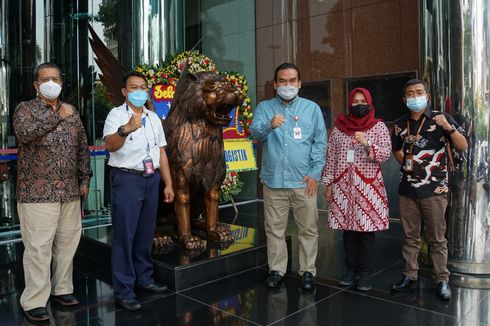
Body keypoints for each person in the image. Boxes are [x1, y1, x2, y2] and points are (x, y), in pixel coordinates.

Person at [13, 62, 92, 322]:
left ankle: (62, 289)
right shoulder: (25, 110)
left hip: (69, 193)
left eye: (55, 78)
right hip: (37, 193)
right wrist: (57, 116)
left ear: (61, 82)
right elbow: (25, 135)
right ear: (36, 85)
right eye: (45, 79)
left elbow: (82, 147)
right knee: (38, 249)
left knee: (67, 246)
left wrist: (85, 179)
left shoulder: (73, 112)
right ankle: (34, 300)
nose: (51, 82)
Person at [250, 62, 327, 291]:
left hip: (304, 182)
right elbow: (255, 132)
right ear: (275, 84)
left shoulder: (311, 109)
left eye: (292, 80)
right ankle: (277, 270)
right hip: (274, 181)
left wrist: (315, 174)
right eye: (282, 81)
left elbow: (320, 143)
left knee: (308, 229)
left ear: (299, 83)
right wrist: (269, 124)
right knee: (274, 229)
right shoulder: (264, 108)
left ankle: (307, 272)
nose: (287, 85)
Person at [103, 71, 174, 311]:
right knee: (125, 236)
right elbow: (110, 145)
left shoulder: (154, 118)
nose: (139, 91)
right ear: (124, 92)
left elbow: (161, 152)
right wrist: (126, 129)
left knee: (145, 233)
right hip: (126, 179)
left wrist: (169, 184)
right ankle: (124, 290)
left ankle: (144, 279)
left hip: (151, 179)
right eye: (134, 87)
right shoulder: (115, 115)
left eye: (143, 87)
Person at [391, 79, 468, 301]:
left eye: (419, 92)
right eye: (410, 94)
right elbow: (397, 149)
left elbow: (462, 146)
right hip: (408, 190)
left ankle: (442, 279)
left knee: (437, 238)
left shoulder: (440, 119)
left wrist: (449, 128)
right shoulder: (399, 123)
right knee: (410, 237)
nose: (415, 97)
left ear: (427, 96)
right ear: (404, 99)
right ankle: (409, 275)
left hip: (435, 190)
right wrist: (406, 164)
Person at [321, 87, 391, 291]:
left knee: (366, 232)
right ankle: (350, 270)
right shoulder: (339, 127)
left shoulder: (378, 127)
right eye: (355, 101)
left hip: (368, 186)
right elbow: (331, 157)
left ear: (369, 103)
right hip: (343, 186)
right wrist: (329, 184)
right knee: (348, 232)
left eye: (363, 101)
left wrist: (368, 143)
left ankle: (365, 273)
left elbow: (385, 154)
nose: (359, 105)